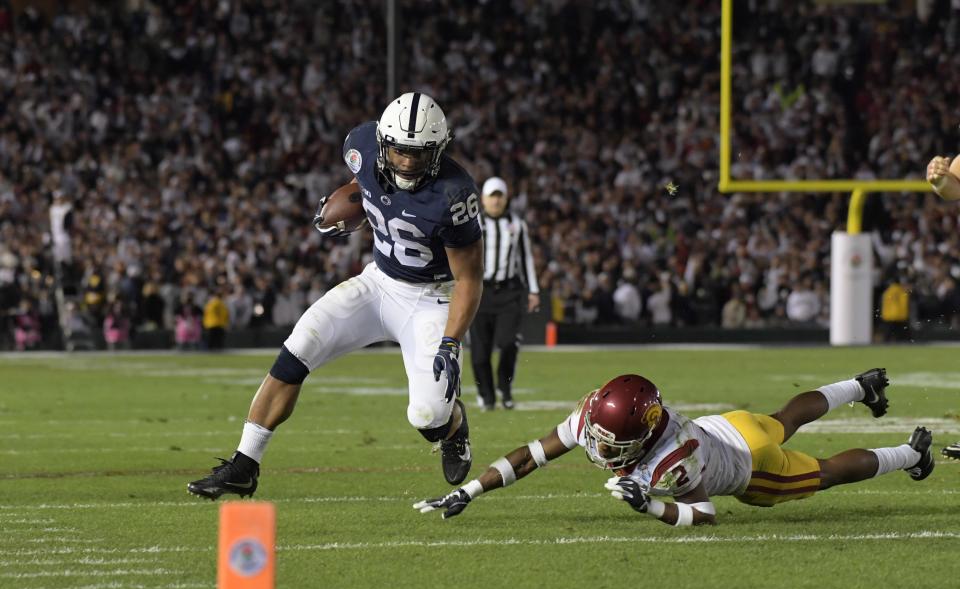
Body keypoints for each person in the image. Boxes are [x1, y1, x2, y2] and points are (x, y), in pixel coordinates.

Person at [188, 92, 484, 499]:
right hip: (379, 282)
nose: (409, 162)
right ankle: (244, 464)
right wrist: (348, 206)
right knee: (300, 344)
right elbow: (360, 187)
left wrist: (451, 341)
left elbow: (468, 279)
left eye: (420, 153)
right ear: (382, 143)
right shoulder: (359, 146)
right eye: (400, 151)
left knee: (428, 414)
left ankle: (453, 429)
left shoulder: (455, 194)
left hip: (432, 297)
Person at [415, 368, 935, 526]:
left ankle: (913, 454)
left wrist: (653, 505)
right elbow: (532, 453)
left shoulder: (672, 455)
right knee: (784, 416)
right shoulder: (599, 413)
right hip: (729, 426)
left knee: (823, 472)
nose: (595, 443)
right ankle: (860, 386)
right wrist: (470, 490)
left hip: (751, 465)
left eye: (610, 441)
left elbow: (705, 515)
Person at [468, 177, 540, 410]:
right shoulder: (473, 223)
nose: (496, 200)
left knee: (509, 343)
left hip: (510, 291)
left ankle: (505, 389)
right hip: (481, 292)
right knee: (480, 352)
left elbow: (525, 258)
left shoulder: (516, 224)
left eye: (499, 196)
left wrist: (534, 290)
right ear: (483, 199)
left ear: (506, 198)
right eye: (492, 196)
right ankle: (486, 396)